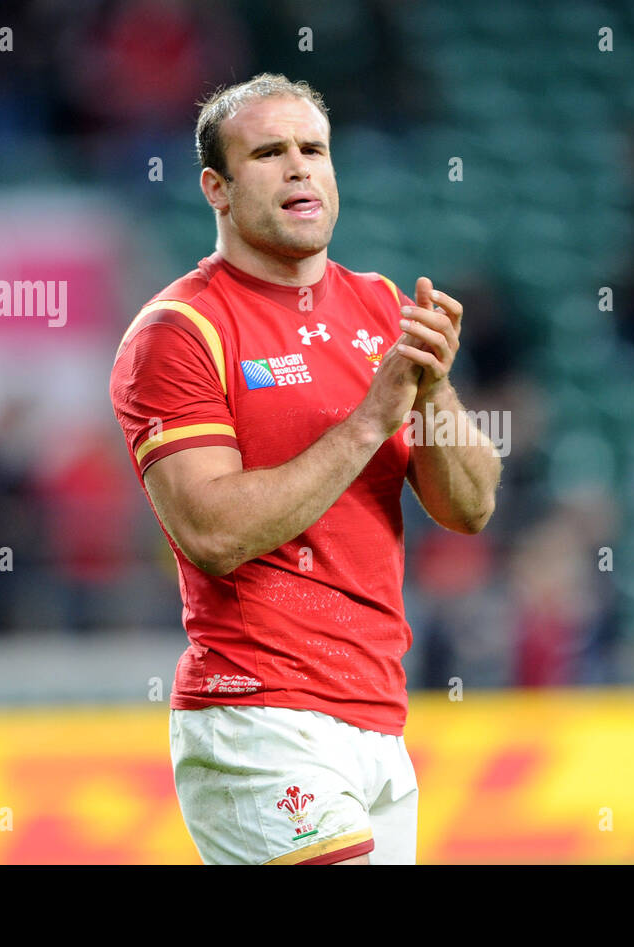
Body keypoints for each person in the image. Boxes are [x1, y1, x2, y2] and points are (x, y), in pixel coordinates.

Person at [109, 73, 502, 864]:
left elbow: (471, 508)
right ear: (215, 189)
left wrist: (435, 385)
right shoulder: (179, 330)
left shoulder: (384, 306)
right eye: (269, 153)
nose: (298, 167)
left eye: (313, 149)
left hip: (379, 717)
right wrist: (370, 420)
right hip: (258, 713)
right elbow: (212, 532)